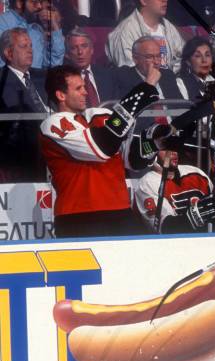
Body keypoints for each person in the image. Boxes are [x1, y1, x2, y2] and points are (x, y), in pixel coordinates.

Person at [39, 64, 160, 238]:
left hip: (120, 211)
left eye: (84, 87)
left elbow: (134, 161)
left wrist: (155, 142)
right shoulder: (53, 124)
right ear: (61, 95)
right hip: (79, 217)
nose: (85, 92)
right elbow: (103, 147)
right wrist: (143, 90)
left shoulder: (100, 115)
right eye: (78, 88)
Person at [134, 149, 215, 233]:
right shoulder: (147, 183)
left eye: (175, 146)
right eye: (166, 148)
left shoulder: (196, 173)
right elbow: (163, 228)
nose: (174, 152)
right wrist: (195, 217)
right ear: (154, 153)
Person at [0, 27, 47, 182]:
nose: (30, 51)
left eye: (31, 46)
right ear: (8, 53)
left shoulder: (42, 76)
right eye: (23, 46)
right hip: (24, 154)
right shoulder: (3, 80)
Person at [115, 36, 183, 129]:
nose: (156, 62)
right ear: (135, 58)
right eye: (149, 57)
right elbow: (125, 114)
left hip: (172, 132)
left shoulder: (167, 75)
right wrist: (148, 84)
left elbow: (181, 107)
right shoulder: (124, 76)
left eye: (159, 56)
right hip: (142, 134)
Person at [106, 0, 185, 73]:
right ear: (143, 1)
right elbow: (131, 75)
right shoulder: (125, 32)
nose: (165, 0)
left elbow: (182, 59)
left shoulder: (169, 27)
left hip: (169, 84)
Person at [0, 0, 64, 69]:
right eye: (34, 2)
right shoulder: (3, 24)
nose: (39, 7)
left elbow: (53, 65)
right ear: (19, 3)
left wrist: (55, 27)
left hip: (36, 78)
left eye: (40, 2)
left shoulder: (36, 30)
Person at [64, 28, 118, 106]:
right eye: (74, 48)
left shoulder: (108, 75)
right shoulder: (63, 79)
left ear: (92, 49)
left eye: (84, 46)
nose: (80, 52)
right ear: (68, 54)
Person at [176, 36, 215, 102]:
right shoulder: (181, 84)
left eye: (207, 55)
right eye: (198, 56)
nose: (204, 60)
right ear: (188, 62)